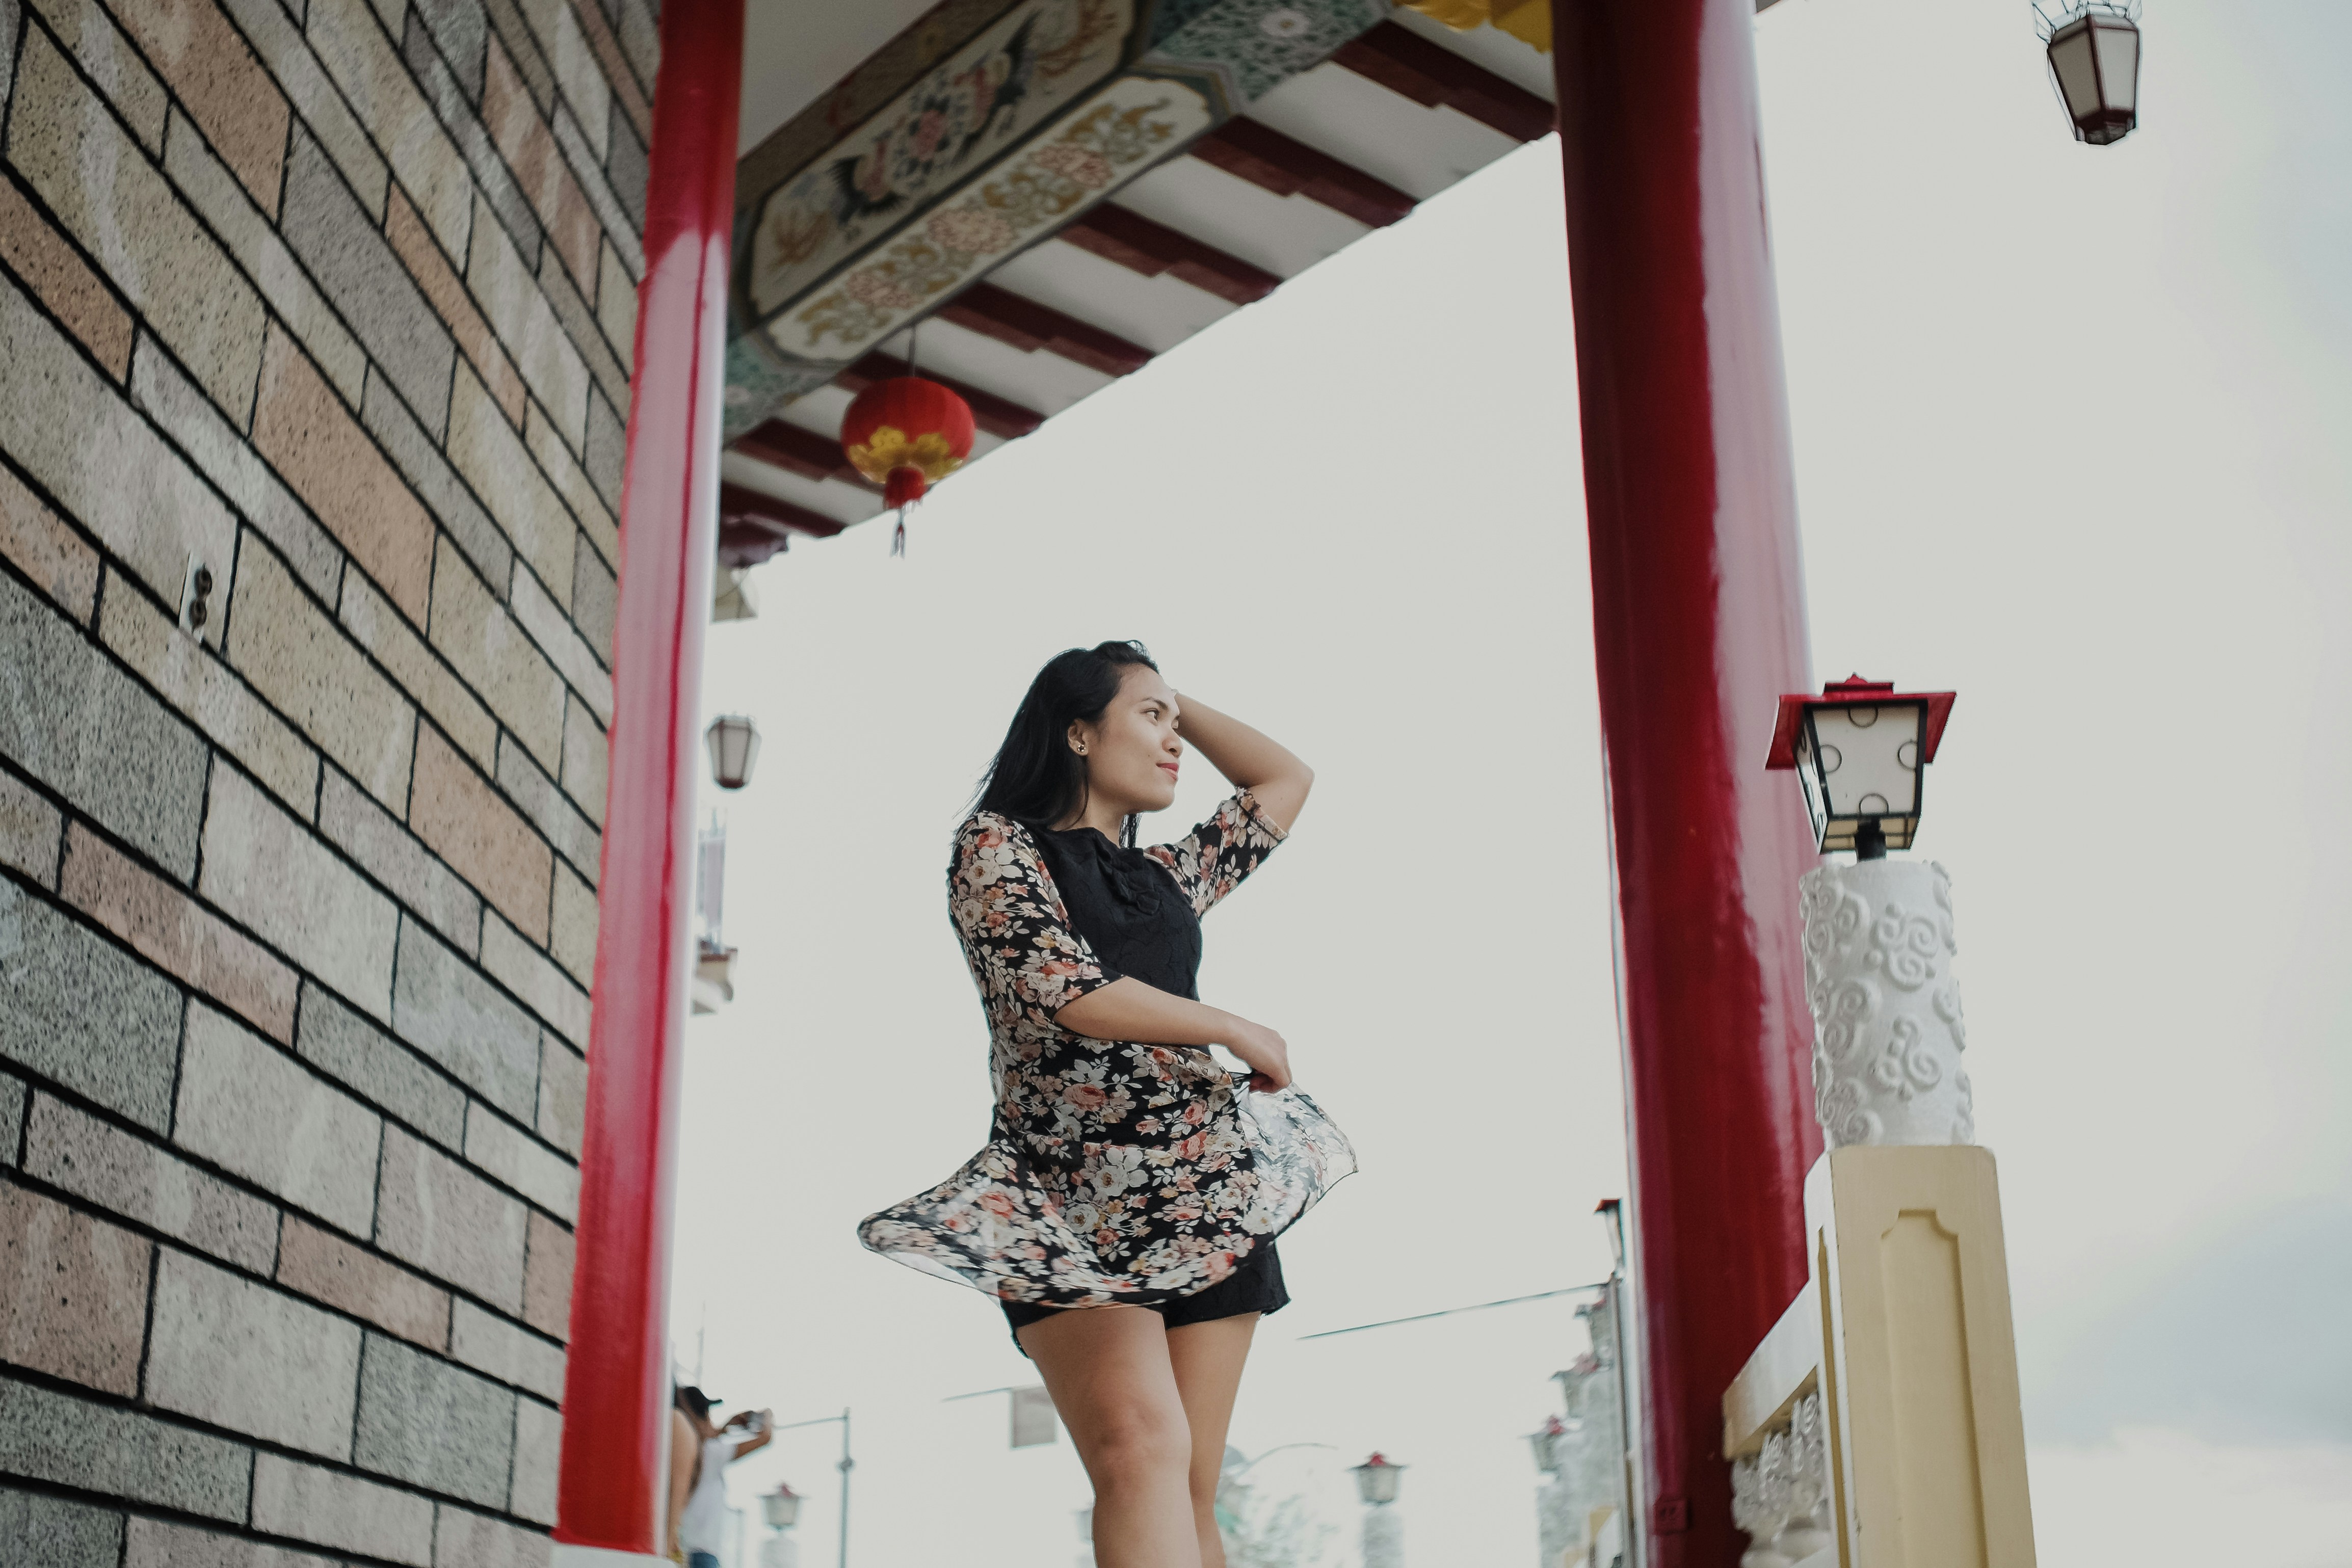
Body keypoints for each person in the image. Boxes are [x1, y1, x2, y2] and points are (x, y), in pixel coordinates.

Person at [861, 641, 1355, 1568]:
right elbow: (1063, 988)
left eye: (1176, 724)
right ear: (1078, 732)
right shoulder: (999, 844)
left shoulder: (1166, 877)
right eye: (1149, 720)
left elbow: (1286, 777)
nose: (1174, 743)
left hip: (1207, 1190)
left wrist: (1167, 692)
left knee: (1193, 1489)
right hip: (1066, 1203)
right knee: (1140, 1452)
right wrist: (1230, 1026)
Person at [667, 1384, 773, 1568]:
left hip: (681, 1549)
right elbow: (766, 1437)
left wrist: (725, 1428)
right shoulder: (711, 1452)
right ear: (703, 1416)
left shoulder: (678, 1448)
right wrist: (768, 1414)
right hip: (701, 1554)